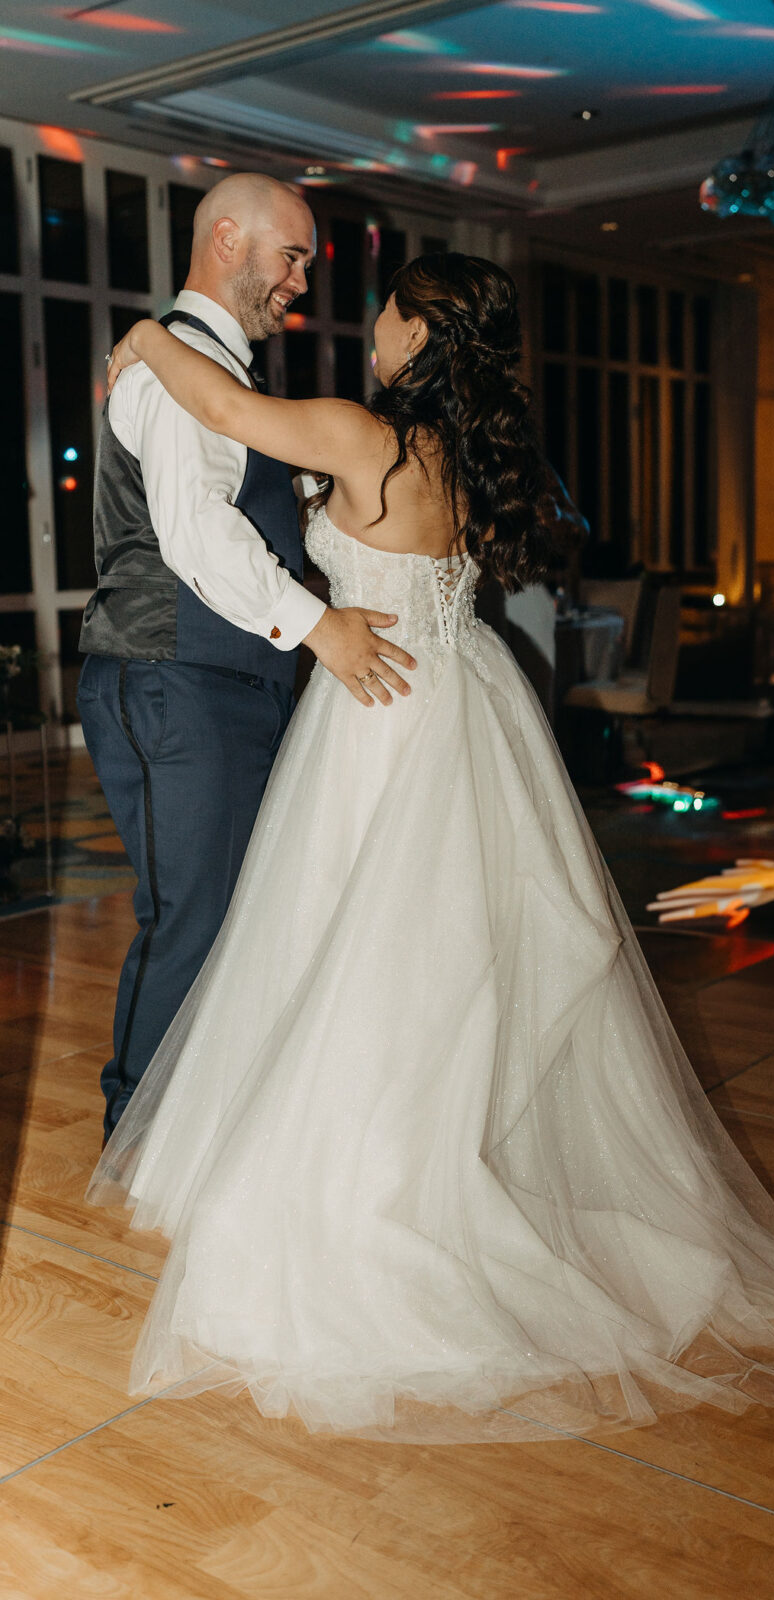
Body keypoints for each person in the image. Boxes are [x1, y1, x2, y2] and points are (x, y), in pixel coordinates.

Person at [89, 254, 774, 1444]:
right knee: (432, 960)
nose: (372, 319)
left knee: (359, 951)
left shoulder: (367, 435)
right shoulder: (462, 455)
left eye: (390, 306)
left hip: (381, 720)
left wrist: (147, 339)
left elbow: (224, 410)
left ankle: (373, 1182)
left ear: (418, 329)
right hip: (458, 704)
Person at [77, 173, 414, 1143]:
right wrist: (321, 627)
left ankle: (196, 1118)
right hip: (174, 674)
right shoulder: (179, 368)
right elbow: (195, 537)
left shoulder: (216, 377)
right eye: (292, 255)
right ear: (228, 239)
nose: (301, 282)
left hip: (212, 679)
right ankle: (139, 1131)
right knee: (194, 914)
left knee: (223, 911)